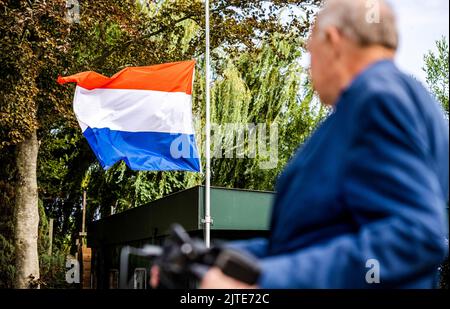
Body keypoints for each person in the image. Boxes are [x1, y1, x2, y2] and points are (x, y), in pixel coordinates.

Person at [152, 0, 449, 288]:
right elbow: (309, 242)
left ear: (332, 40)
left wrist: (268, 281)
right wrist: (213, 258)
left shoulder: (377, 100)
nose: (309, 68)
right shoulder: (411, 101)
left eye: (311, 52)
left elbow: (415, 236)